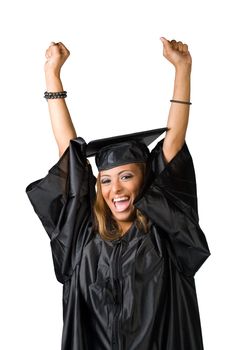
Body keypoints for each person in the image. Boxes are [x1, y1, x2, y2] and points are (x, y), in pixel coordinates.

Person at [26, 38, 210, 350]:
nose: (116, 189)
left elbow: (174, 143)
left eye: (126, 176)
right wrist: (52, 74)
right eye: (106, 180)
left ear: (146, 180)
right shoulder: (82, 236)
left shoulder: (166, 235)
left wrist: (183, 69)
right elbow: (69, 155)